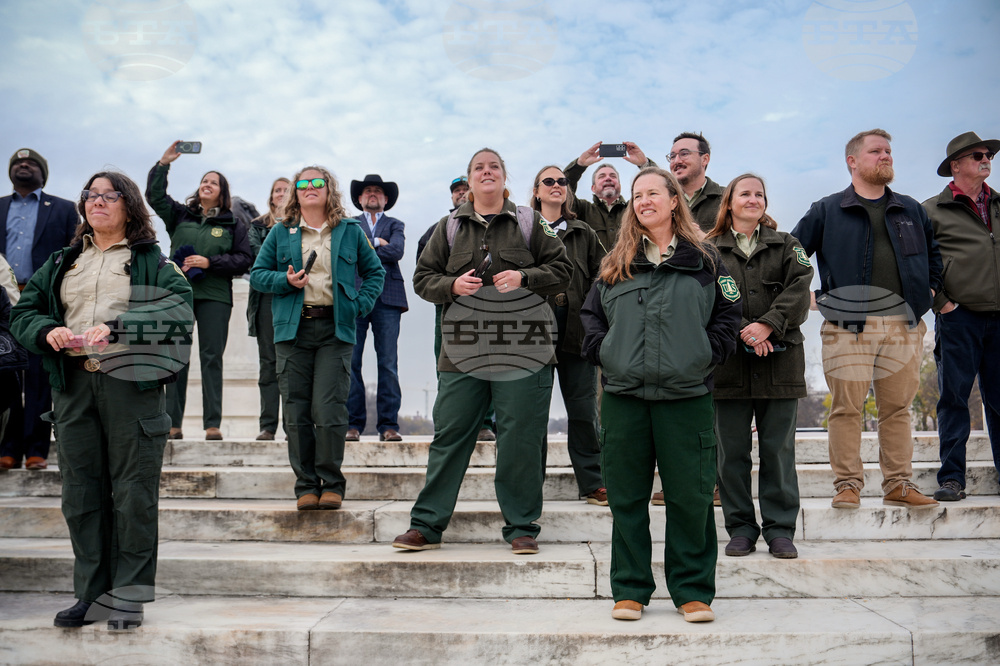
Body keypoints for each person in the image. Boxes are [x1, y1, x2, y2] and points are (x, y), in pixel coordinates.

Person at [10, 170, 193, 630]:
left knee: (132, 493)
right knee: (81, 494)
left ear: (129, 205)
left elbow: (178, 307)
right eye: (91, 196)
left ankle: (127, 595)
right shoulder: (63, 261)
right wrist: (45, 330)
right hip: (72, 386)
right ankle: (90, 594)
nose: (98, 202)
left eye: (109, 196)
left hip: (130, 384)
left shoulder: (152, 260)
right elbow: (25, 312)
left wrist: (118, 328)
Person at [580, 166, 741, 623]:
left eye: (654, 192)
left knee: (690, 498)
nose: (644, 200)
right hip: (624, 397)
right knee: (627, 497)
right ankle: (630, 589)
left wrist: (706, 354)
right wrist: (604, 354)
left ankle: (692, 592)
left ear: (675, 201)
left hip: (686, 396)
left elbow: (731, 311)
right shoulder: (615, 262)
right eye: (637, 195)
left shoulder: (707, 260)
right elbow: (591, 319)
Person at [392, 148, 571, 554]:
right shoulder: (448, 228)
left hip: (525, 348)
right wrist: (451, 286)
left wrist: (525, 277)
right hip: (463, 350)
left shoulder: (530, 223)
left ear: (504, 179)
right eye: (479, 168)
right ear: (469, 181)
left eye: (494, 167)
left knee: (521, 439)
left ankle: (522, 526)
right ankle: (426, 525)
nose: (486, 172)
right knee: (451, 435)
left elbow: (564, 271)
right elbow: (422, 278)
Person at [792, 129, 942, 509]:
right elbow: (789, 256)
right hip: (847, 327)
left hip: (903, 327)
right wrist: (814, 298)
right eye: (876, 151)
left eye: (889, 150)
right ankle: (847, 485)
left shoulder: (911, 209)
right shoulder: (827, 209)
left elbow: (935, 256)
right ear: (853, 161)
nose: (885, 156)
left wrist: (928, 292)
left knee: (898, 410)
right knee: (846, 409)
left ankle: (898, 484)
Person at [250, 166, 384, 511]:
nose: (310, 188)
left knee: (328, 409)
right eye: (303, 183)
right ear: (296, 192)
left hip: (334, 331)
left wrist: (359, 304)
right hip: (292, 332)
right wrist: (285, 281)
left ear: (329, 189)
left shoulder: (350, 230)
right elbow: (258, 275)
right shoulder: (281, 232)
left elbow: (375, 273)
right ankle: (306, 485)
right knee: (295, 411)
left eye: (317, 182)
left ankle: (332, 482)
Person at [707, 174, 813, 559]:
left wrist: (769, 323)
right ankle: (740, 527)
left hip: (780, 364)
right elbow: (703, 301)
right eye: (745, 193)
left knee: (778, 451)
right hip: (729, 367)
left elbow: (800, 289)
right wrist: (744, 331)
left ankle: (780, 529)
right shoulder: (707, 250)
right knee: (730, 453)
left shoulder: (787, 245)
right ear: (729, 203)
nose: (753, 199)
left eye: (760, 194)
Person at [146, 140, 252, 441]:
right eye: (204, 180)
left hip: (215, 296)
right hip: (178, 295)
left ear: (222, 191)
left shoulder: (233, 222)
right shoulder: (180, 215)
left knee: (211, 357)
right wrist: (164, 163)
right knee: (175, 356)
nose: (207, 184)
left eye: (214, 182)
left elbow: (245, 258)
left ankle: (212, 424)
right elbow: (155, 196)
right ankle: (173, 423)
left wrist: (210, 261)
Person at [923, 131, 1000, 500]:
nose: (986, 160)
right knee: (953, 399)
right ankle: (952, 478)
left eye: (988, 155)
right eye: (977, 155)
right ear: (956, 165)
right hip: (959, 318)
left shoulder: (999, 205)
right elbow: (921, 265)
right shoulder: (930, 210)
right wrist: (944, 305)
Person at [530, 164, 606, 505]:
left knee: (584, 411)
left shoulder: (583, 232)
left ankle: (592, 482)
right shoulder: (522, 230)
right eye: (549, 181)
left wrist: (594, 318)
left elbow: (603, 276)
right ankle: (529, 485)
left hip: (578, 329)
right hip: (532, 333)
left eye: (562, 181)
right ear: (536, 191)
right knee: (531, 412)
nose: (557, 185)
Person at [0, 148, 78, 470]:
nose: (23, 165)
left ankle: (36, 449)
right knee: (5, 374)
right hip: (2, 301)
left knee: (38, 377)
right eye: (17, 162)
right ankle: (6, 447)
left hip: (40, 301)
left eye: (31, 163)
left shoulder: (63, 209)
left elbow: (75, 251)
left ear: (42, 173)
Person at [417, 176, 496, 442]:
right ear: (452, 197)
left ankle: (485, 424)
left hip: (489, 311)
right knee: (447, 369)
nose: (461, 194)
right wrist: (451, 285)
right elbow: (425, 273)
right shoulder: (439, 229)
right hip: (450, 311)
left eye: (465, 189)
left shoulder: (495, 224)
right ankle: (447, 423)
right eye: (457, 191)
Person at [346, 175, 407, 442]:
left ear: (386, 199)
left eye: (378, 192)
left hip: (389, 298)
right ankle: (353, 424)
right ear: (359, 199)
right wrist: (377, 245)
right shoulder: (349, 224)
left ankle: (389, 425)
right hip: (355, 297)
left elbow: (397, 251)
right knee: (350, 361)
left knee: (388, 363)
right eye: (368, 191)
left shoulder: (396, 224)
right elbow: (349, 254)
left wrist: (368, 248)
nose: (372, 194)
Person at [247, 177, 291, 441]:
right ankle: (268, 425)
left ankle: (292, 426)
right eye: (278, 190)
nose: (282, 194)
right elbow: (259, 257)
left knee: (291, 363)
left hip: (292, 295)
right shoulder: (257, 226)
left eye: (287, 190)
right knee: (268, 364)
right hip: (265, 297)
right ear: (271, 196)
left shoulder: (301, 224)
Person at [563, 141, 653, 249]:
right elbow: (562, 189)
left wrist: (645, 164)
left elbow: (660, 187)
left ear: (619, 185)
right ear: (593, 188)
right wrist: (579, 165)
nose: (608, 178)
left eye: (613, 176)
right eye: (601, 176)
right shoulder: (583, 209)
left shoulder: (634, 208)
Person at [669, 132, 724, 233]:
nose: (676, 161)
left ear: (705, 159)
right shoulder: (664, 200)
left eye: (684, 154)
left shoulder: (728, 198)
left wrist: (706, 242)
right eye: (672, 156)